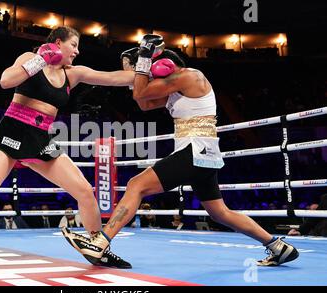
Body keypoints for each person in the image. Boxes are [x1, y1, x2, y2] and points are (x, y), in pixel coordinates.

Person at [62, 34, 299, 267]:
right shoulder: (175, 91)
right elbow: (143, 102)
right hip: (203, 155)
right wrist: (138, 73)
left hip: (195, 151)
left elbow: (141, 92)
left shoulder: (190, 76)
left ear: (166, 66)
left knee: (136, 185)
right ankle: (278, 246)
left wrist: (144, 59)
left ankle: (100, 242)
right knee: (220, 213)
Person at [0, 26, 135, 270]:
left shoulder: (72, 74)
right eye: (73, 45)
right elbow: (5, 81)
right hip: (12, 131)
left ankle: (99, 249)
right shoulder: (30, 59)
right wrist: (41, 59)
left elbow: (114, 78)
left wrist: (146, 62)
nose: (77, 51)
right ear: (57, 42)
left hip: (40, 138)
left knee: (85, 190)